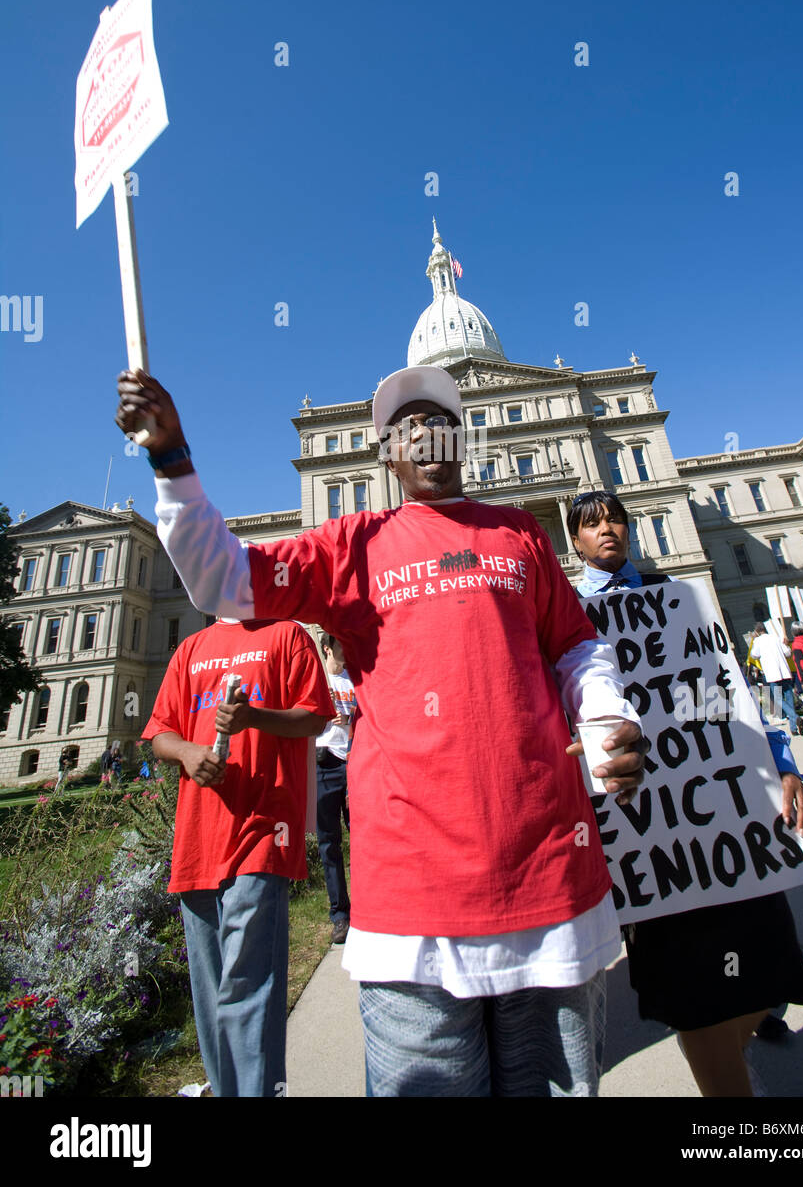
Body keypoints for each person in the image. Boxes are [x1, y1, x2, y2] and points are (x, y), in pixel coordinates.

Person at [116, 363, 648, 1099]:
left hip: (547, 884)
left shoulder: (522, 532)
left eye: (440, 420)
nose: (425, 434)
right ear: (387, 455)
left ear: (464, 440)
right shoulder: (351, 545)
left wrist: (607, 715)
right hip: (412, 907)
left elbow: (576, 646)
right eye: (407, 426)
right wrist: (170, 456)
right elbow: (220, 579)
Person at [568, 490, 803, 1097]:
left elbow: (726, 685)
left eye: (616, 519)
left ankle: (735, 1067)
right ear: (573, 540)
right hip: (647, 830)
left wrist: (783, 762)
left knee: (765, 978)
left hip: (725, 816)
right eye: (590, 523)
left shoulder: (679, 597)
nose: (608, 530)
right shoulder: (570, 612)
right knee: (696, 997)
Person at [140, 615, 332, 1097]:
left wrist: (253, 718)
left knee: (247, 982)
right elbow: (161, 732)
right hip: (198, 837)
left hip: (264, 828)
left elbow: (314, 714)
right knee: (211, 993)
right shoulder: (191, 648)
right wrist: (186, 752)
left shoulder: (287, 635)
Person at [316, 634, 355, 945]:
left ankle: (369, 905)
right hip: (324, 763)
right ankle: (340, 915)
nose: (347, 650)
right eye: (341, 645)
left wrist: (350, 717)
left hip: (354, 759)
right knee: (329, 843)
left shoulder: (355, 678)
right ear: (328, 647)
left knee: (364, 837)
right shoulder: (316, 678)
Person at [749, 623, 803, 736]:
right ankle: (794, 727)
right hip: (784, 671)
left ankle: (795, 718)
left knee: (778, 699)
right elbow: (788, 653)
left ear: (757, 631)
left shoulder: (758, 641)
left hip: (772, 673)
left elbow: (754, 655)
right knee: (789, 697)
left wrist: (754, 641)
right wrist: (786, 645)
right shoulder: (776, 637)